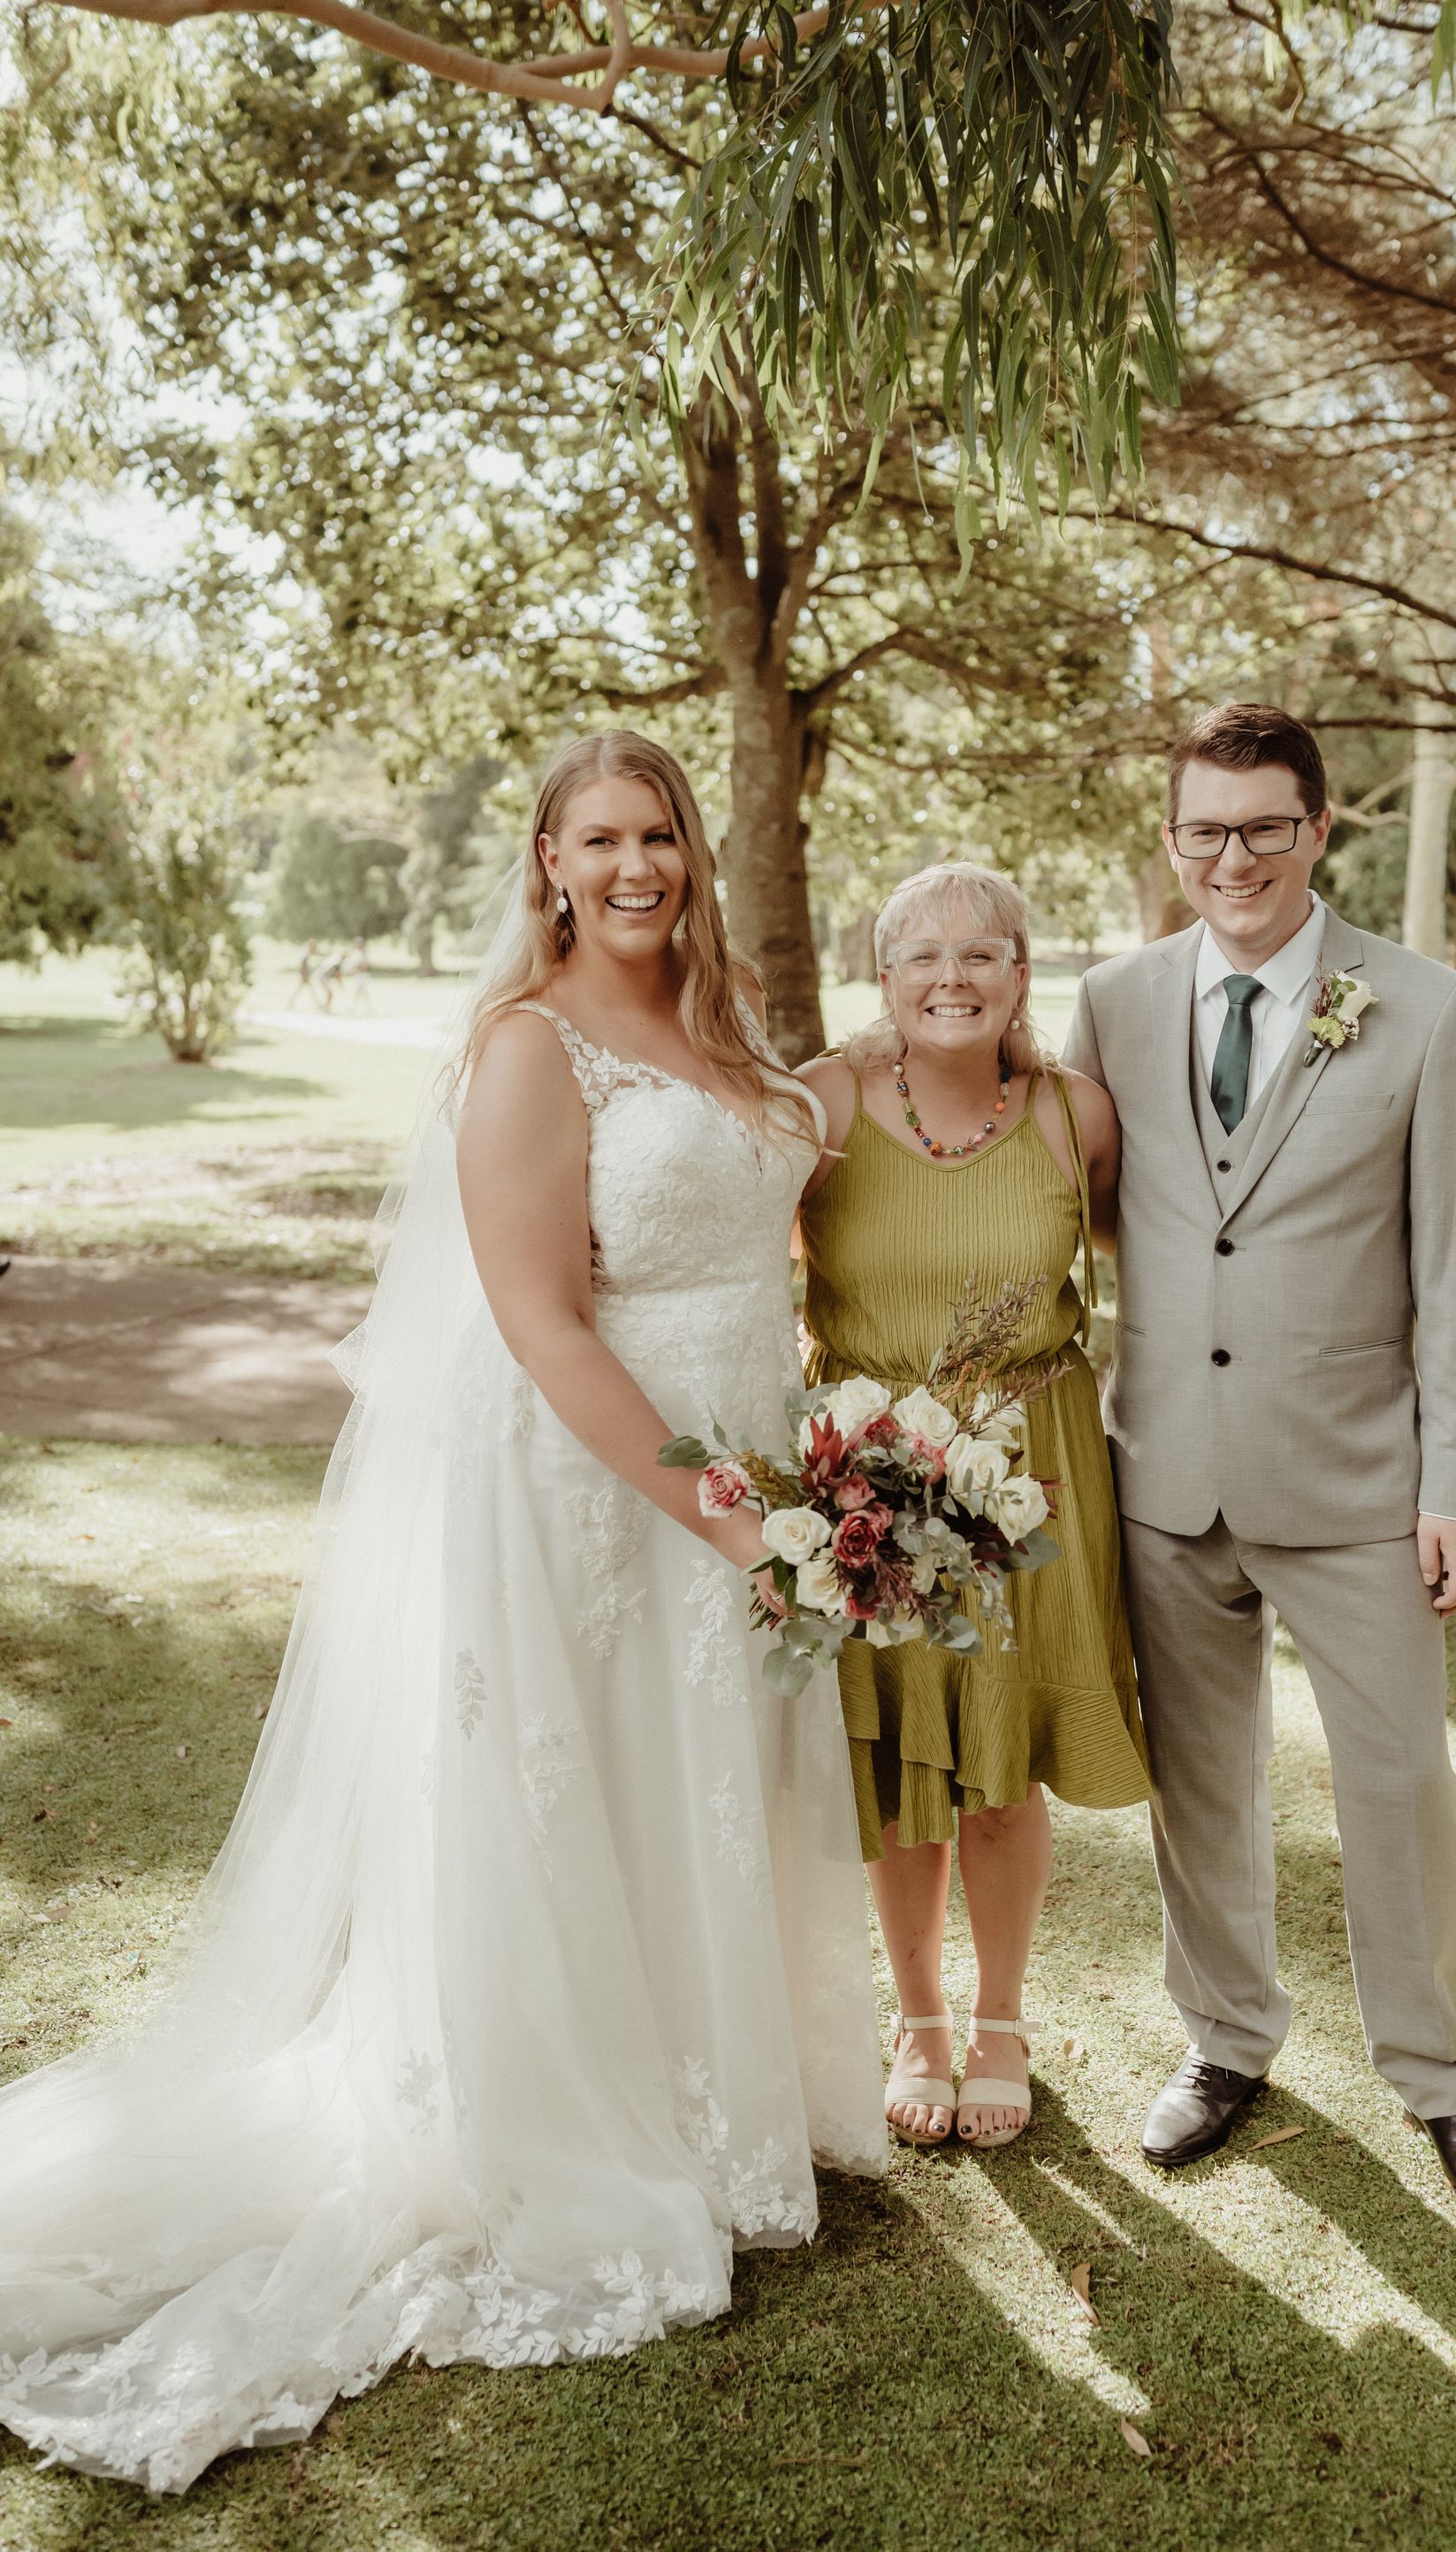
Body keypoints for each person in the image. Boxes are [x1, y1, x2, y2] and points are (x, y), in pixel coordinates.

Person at [0, 731, 885, 2493]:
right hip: (604, 1489)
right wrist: (741, 1522)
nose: (638, 865)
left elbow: (803, 1136)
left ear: (695, 855)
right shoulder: (524, 1050)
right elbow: (551, 1328)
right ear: (549, 864)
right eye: (602, 840)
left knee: (692, 1786)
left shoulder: (723, 1028)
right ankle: (569, 2124)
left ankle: (715, 2105)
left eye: (663, 836)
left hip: (749, 1471)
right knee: (583, 1795)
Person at [1063, 701, 1456, 2228]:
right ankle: (1224, 2041)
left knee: (1400, 1779)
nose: (1235, 858)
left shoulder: (1423, 1007)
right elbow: (1081, 1209)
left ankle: (1443, 2076)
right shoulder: (1114, 1001)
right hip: (1166, 1475)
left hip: (1358, 1482)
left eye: (1266, 825)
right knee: (1200, 1785)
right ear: (1172, 841)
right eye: (1205, 829)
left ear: (1320, 828)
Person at [797, 864, 1149, 2150]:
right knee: (903, 1760)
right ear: (881, 976)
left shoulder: (1077, 1117)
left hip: (1036, 1473)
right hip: (868, 1471)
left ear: (1020, 973)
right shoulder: (825, 1102)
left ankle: (999, 2014)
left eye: (982, 953)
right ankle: (919, 2016)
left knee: (1003, 1765)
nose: (952, 976)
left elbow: (1173, 1263)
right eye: (920, 954)